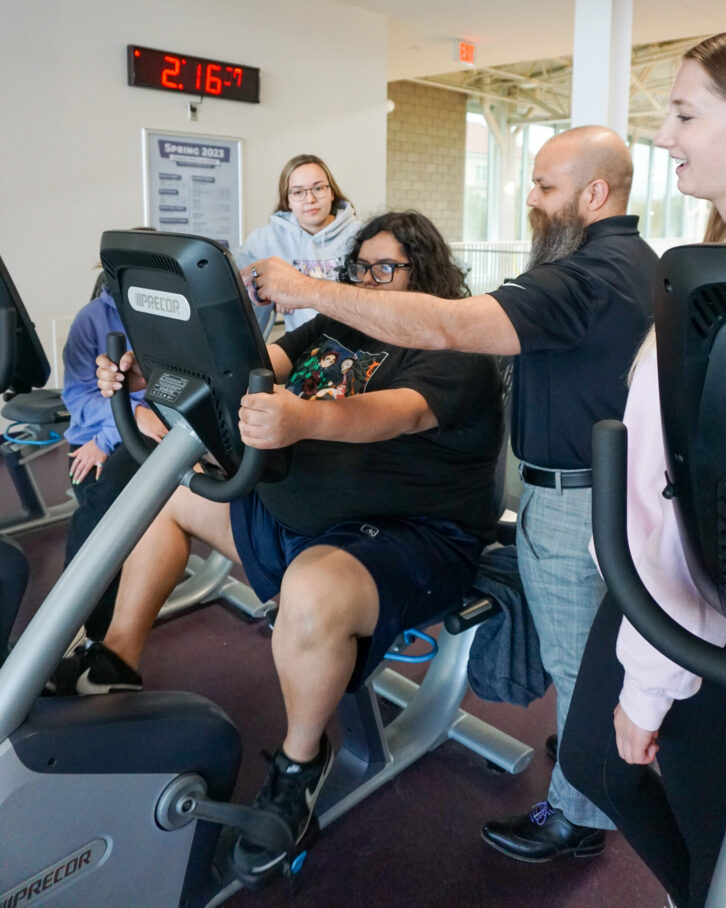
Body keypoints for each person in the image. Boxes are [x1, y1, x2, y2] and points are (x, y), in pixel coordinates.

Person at [248, 125, 659, 861]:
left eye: (544, 187)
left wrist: (307, 288)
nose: (531, 201)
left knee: (579, 666)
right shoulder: (631, 265)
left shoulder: (587, 276)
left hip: (574, 497)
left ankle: (578, 819)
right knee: (588, 660)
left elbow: (446, 329)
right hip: (578, 486)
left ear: (594, 194)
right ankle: (591, 772)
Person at [60, 211, 502, 877]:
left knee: (311, 588)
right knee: (163, 492)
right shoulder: (342, 324)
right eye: (361, 269)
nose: (368, 282)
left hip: (412, 535)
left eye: (386, 270)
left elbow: (399, 412)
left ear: (426, 275)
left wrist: (304, 419)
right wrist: (162, 375)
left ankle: (300, 764)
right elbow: (258, 362)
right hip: (301, 515)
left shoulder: (454, 345)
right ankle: (116, 654)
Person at [559, 26, 726, 908]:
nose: (666, 136)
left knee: (700, 828)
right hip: (678, 601)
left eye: (685, 113)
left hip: (699, 619)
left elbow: (699, 500)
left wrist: (650, 689)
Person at [61, 273, 167, 639]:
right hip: (95, 435)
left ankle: (84, 630)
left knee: (108, 502)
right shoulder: (90, 319)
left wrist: (112, 436)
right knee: (96, 501)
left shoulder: (171, 316)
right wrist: (126, 421)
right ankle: (71, 621)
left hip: (147, 434)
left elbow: (172, 397)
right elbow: (78, 399)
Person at [234, 153, 360, 332]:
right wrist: (269, 294)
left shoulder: (360, 236)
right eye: (298, 192)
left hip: (354, 344)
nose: (310, 199)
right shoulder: (266, 239)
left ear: (331, 192)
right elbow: (238, 281)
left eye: (318, 188)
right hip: (300, 349)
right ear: (288, 200)